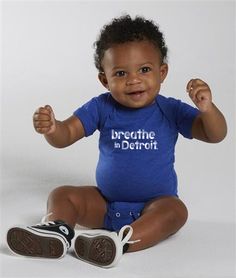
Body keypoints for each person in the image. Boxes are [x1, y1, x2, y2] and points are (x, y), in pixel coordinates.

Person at [7, 15, 227, 268]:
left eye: (144, 69)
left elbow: (215, 134)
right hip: (105, 205)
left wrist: (208, 109)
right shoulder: (101, 107)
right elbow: (66, 135)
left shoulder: (170, 110)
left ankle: (119, 242)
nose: (133, 80)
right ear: (105, 80)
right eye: (121, 73)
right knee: (62, 194)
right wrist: (53, 128)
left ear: (162, 72)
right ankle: (57, 230)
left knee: (176, 211)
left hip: (153, 206)